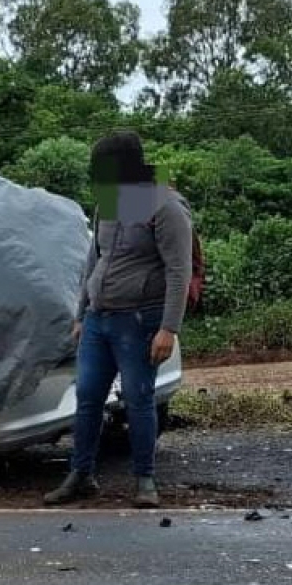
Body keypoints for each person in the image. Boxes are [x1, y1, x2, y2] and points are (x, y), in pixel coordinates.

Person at [45, 131, 192, 509]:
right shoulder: (110, 202)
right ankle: (81, 474)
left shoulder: (166, 206)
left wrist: (168, 329)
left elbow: (179, 270)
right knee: (88, 397)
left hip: (140, 319)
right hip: (98, 319)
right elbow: (94, 261)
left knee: (138, 398)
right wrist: (81, 314)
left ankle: (145, 480)